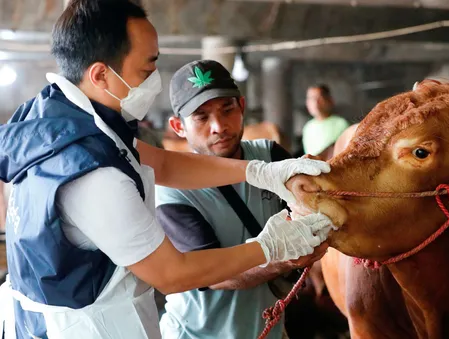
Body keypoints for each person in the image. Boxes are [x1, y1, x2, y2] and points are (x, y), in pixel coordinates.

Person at [0, 1, 334, 338]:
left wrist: (259, 172)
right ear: (100, 75)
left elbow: (162, 162)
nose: (154, 82)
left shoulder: (61, 116)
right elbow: (172, 274)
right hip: (89, 328)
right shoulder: (92, 176)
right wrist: (271, 247)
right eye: (146, 72)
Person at [155, 60, 327, 339]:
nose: (219, 126)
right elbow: (212, 275)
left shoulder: (271, 156)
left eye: (227, 110)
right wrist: (281, 259)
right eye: (201, 117)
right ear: (178, 126)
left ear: (242, 107)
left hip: (268, 330)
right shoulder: (171, 189)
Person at [302, 84, 350, 160]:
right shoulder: (307, 127)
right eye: (311, 98)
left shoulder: (341, 124)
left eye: (319, 98)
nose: (315, 103)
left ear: (330, 100)